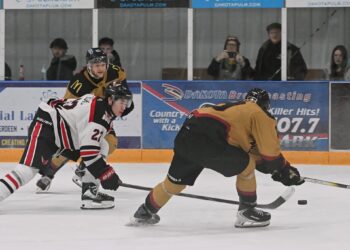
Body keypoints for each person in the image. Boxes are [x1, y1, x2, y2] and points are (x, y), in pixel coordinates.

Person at [131, 88, 304, 228]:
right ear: (265, 105)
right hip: (208, 137)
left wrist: (276, 170)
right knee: (246, 166)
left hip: (188, 133)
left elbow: (257, 156)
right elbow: (270, 155)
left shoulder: (235, 110)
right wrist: (285, 170)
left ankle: (145, 211)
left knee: (174, 184)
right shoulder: (260, 114)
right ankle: (247, 210)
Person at [0, 84, 133, 209]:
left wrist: (103, 172)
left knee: (102, 144)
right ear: (110, 100)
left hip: (64, 132)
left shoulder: (102, 108)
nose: (124, 107)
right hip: (47, 125)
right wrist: (106, 175)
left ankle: (89, 194)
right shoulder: (99, 116)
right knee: (27, 170)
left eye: (126, 103)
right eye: (121, 102)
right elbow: (89, 153)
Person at [36, 48, 133, 192]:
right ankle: (48, 173)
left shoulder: (115, 72)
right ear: (89, 66)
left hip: (103, 116)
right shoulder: (78, 83)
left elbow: (124, 95)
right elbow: (67, 109)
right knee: (71, 147)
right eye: (96, 65)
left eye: (103, 64)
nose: (101, 68)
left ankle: (84, 169)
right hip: (80, 119)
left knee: (110, 143)